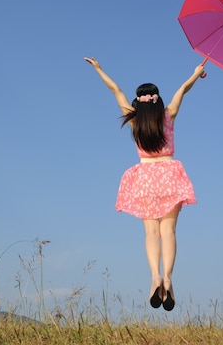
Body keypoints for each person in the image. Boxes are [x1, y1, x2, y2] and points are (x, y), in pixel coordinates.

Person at [84, 57, 205, 311]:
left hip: (146, 177)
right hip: (170, 175)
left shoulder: (134, 119)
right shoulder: (168, 115)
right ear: (157, 99)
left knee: (151, 233)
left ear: (138, 102)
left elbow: (115, 90)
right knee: (168, 232)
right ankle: (169, 279)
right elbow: (183, 89)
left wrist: (98, 69)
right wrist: (195, 73)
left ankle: (154, 279)